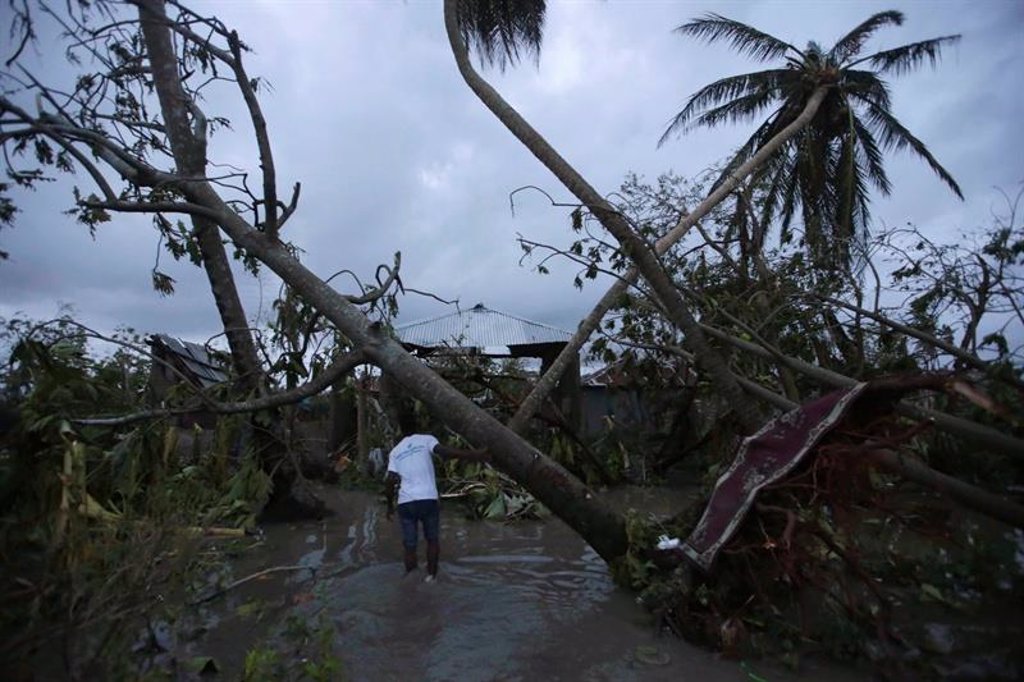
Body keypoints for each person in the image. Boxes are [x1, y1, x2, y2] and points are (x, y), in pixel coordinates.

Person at [384, 412, 489, 582]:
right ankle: (431, 578)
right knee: (432, 540)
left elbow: (390, 480)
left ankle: (410, 581)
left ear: (399, 431)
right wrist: (474, 455)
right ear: (418, 425)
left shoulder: (395, 451)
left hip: (406, 503)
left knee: (409, 545)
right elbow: (445, 452)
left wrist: (389, 506)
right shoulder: (426, 439)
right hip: (427, 499)